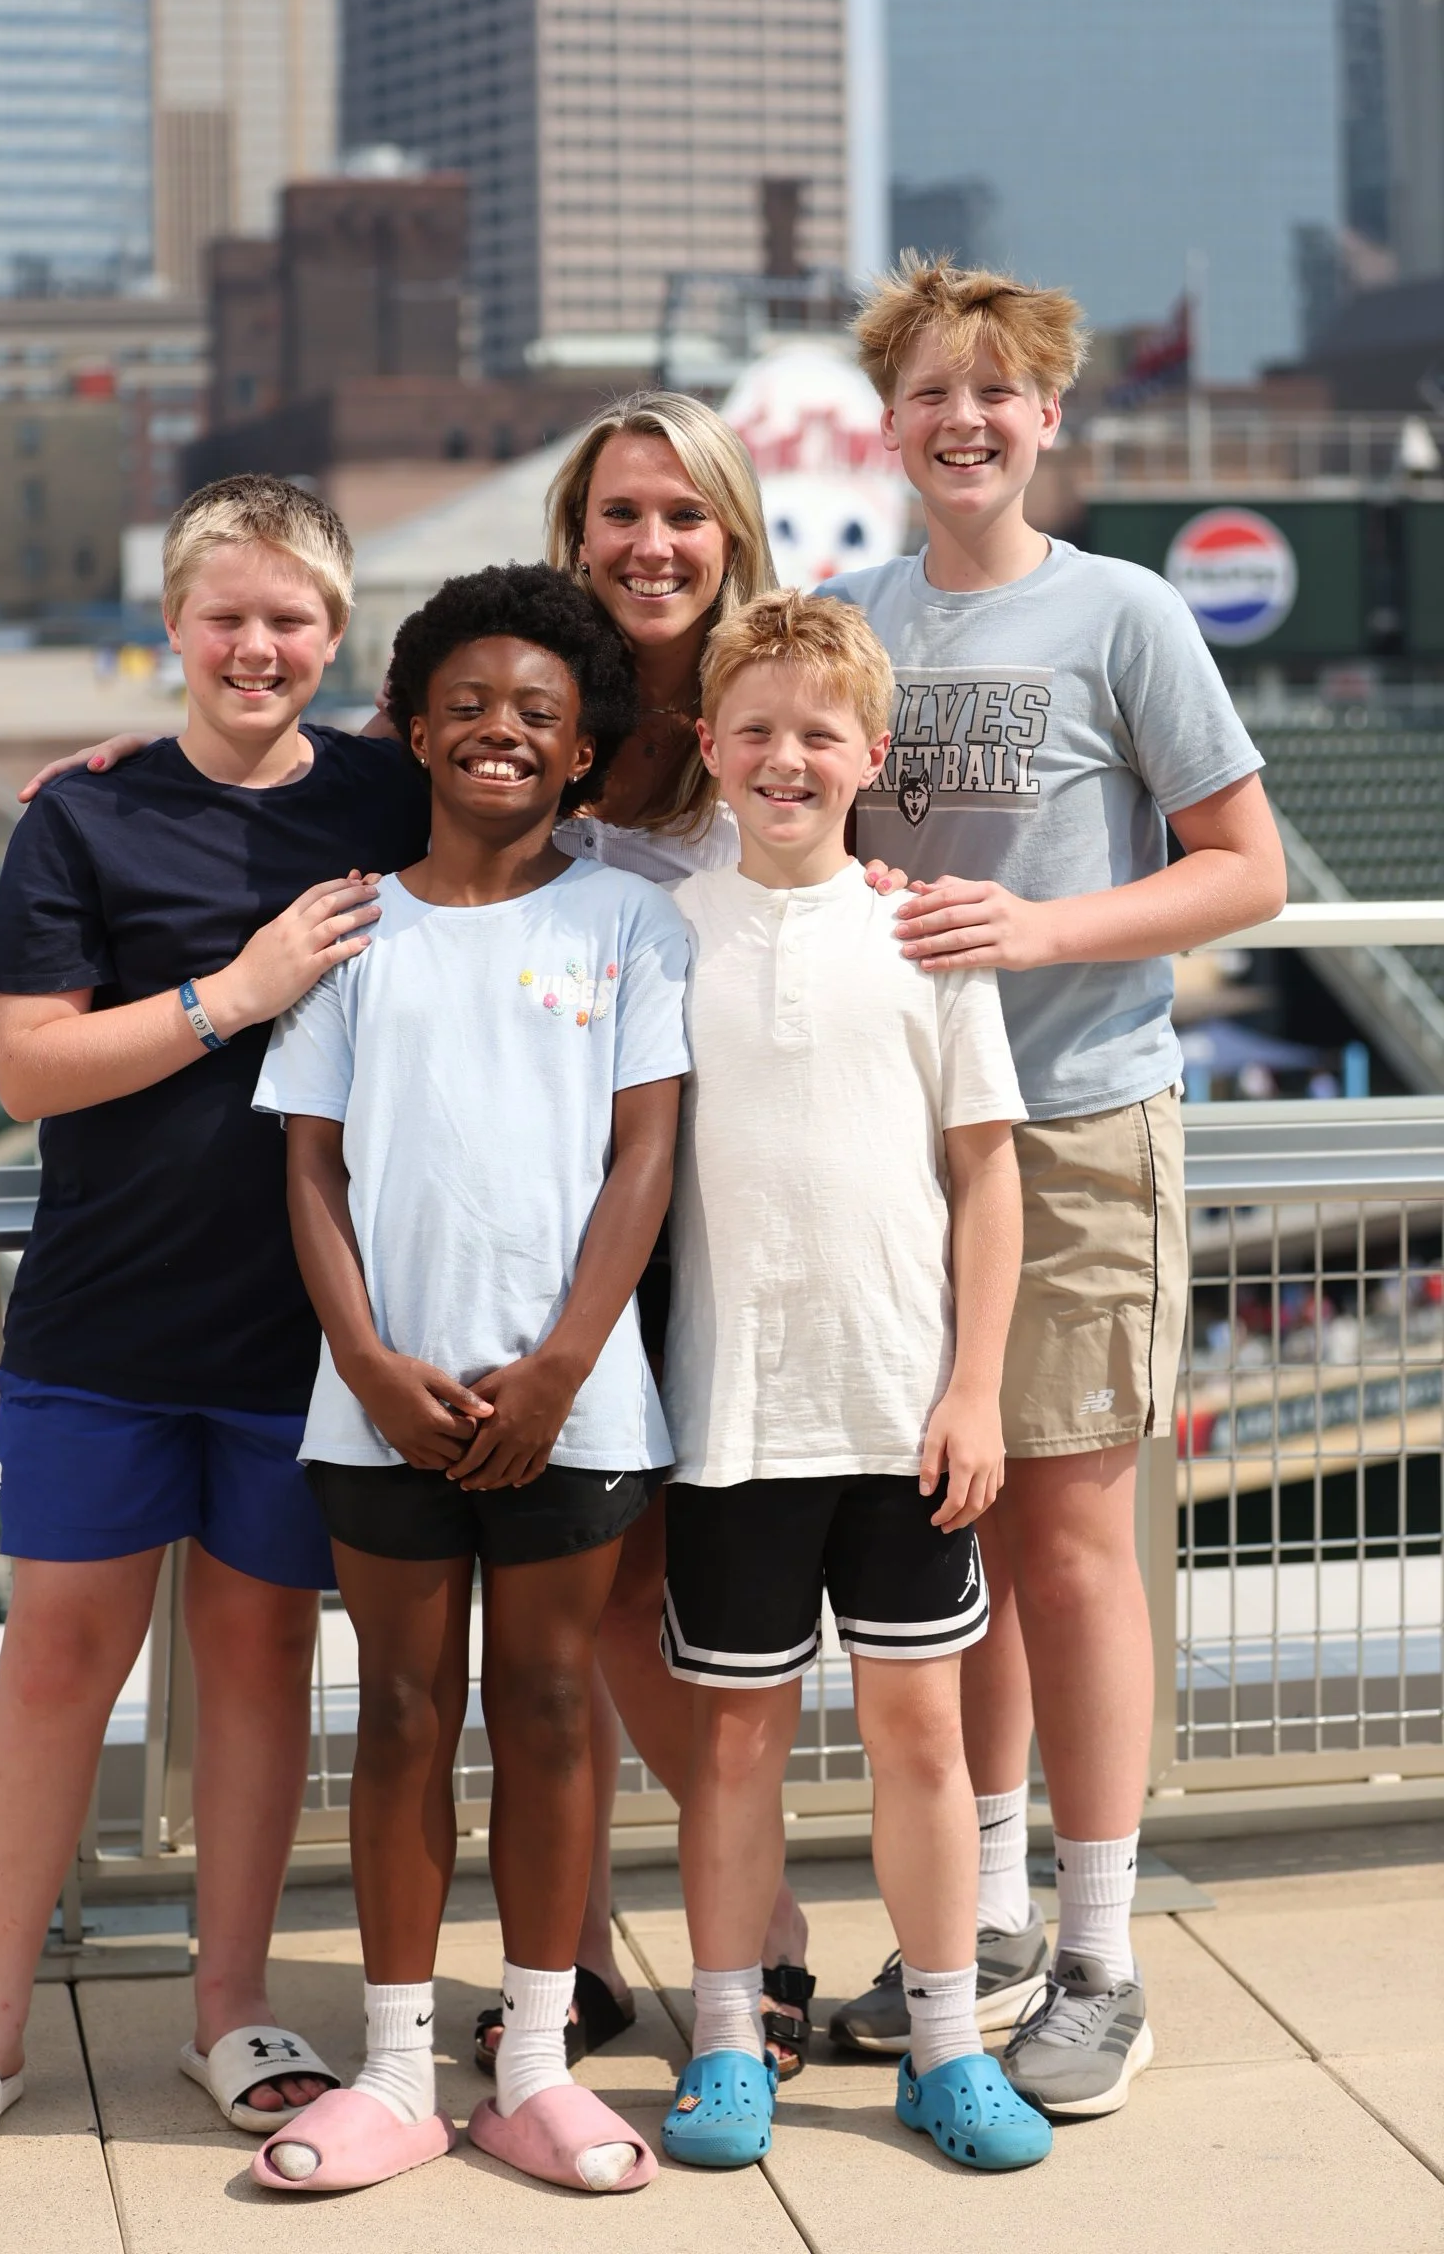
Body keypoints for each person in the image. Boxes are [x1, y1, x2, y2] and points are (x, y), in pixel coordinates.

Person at [18, 392, 867, 2077]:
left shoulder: (770, 704)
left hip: (706, 1208)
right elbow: (315, 761)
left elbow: (849, 863)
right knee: (567, 1633)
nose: (651, 544)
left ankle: (747, 1940)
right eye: (619, 513)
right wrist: (121, 760)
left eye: (683, 514)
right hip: (481, 1253)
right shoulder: (473, 729)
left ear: (731, 532)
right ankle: (576, 1966)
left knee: (647, 1620)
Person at [0, 476, 433, 2164]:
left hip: (308, 1329)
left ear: (337, 635)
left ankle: (229, 2006)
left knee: (262, 1662)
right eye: (226, 615)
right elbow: (30, 1066)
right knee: (58, 1663)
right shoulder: (84, 818)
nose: (257, 646)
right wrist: (236, 994)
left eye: (290, 619)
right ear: (174, 626)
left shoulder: (393, 797)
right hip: (106, 1324)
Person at [819, 256, 1286, 2117]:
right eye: (933, 392)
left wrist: (1043, 927)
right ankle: (994, 1917)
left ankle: (1102, 1954)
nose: (966, 421)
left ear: (1048, 417)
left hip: (1079, 1119)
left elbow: (1244, 867)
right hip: (900, 1137)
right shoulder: (856, 618)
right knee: (965, 1540)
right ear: (889, 422)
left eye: (996, 393)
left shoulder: (1124, 611)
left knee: (1077, 1551)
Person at [246, 563, 689, 2197]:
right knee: (403, 1713)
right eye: (470, 704)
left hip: (578, 1401)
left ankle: (533, 2068)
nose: (503, 729)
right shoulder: (355, 928)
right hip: (383, 1404)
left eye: (539, 713)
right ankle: (391, 2072)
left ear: (583, 752)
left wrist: (566, 1364)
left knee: (553, 1707)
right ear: (418, 729)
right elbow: (310, 1169)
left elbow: (645, 1158)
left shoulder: (630, 921)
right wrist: (366, 1360)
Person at [657, 588, 1050, 2175]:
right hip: (731, 1416)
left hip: (902, 1411)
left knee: (922, 1740)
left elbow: (988, 1175)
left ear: (872, 754)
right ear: (708, 745)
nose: (787, 758)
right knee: (732, 1749)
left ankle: (948, 2046)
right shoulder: (665, 930)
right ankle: (727, 2032)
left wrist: (976, 1388)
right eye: (755, 729)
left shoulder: (922, 933)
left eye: (820, 733)